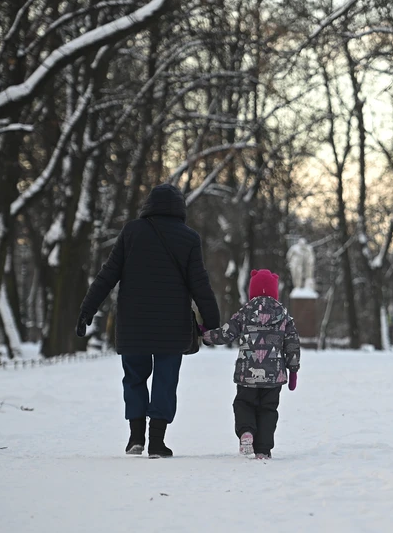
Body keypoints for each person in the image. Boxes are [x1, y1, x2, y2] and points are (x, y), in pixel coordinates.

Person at [77, 184, 220, 458]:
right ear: (180, 209)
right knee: (165, 381)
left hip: (133, 324)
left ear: (148, 206)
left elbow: (108, 274)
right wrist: (212, 324)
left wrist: (87, 310)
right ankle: (156, 441)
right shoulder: (188, 238)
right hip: (172, 326)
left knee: (134, 377)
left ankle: (135, 438)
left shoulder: (132, 232)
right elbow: (199, 284)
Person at [204, 269, 300, 459]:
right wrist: (293, 369)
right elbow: (292, 344)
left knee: (244, 403)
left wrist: (207, 336)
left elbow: (227, 333)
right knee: (268, 410)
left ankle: (246, 432)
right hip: (273, 376)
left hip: (248, 373)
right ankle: (263, 449)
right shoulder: (283, 314)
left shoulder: (245, 312)